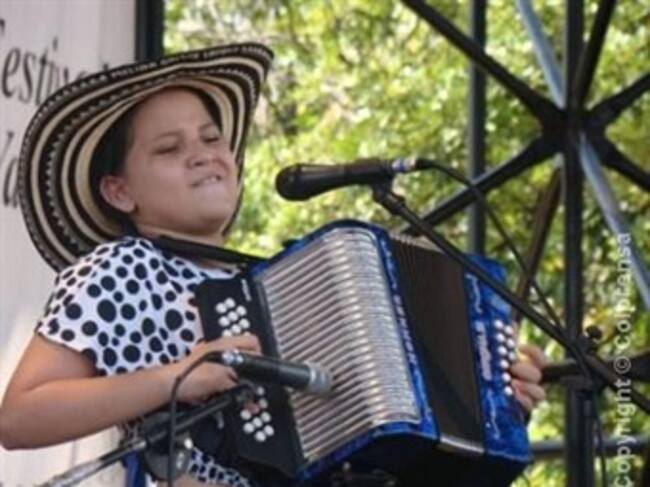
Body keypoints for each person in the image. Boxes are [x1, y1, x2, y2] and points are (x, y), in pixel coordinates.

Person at [0, 42, 546, 487]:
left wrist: (494, 407)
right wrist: (178, 378)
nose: (202, 153)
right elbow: (20, 416)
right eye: (168, 148)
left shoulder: (267, 285)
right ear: (119, 191)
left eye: (211, 137)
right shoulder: (122, 268)